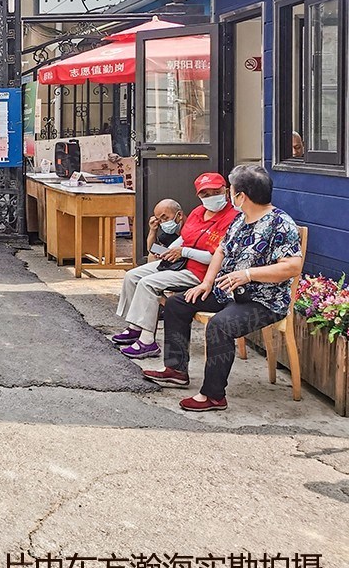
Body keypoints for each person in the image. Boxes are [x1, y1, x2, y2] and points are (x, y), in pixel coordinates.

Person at [143, 164, 303, 412]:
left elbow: (292, 266)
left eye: (232, 191)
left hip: (263, 300)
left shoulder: (280, 223)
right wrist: (206, 283)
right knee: (177, 303)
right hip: (227, 291)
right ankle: (176, 370)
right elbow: (221, 250)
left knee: (220, 325)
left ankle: (213, 395)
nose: (230, 195)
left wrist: (248, 275)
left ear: (242, 196)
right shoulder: (240, 220)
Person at [111, 173, 237, 358]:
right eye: (205, 194)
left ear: (225, 191)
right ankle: (135, 327)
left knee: (148, 284)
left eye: (215, 192)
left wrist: (183, 252)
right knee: (132, 276)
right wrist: (168, 251)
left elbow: (215, 258)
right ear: (199, 196)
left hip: (201, 272)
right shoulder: (198, 212)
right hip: (180, 263)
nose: (211, 197)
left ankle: (147, 341)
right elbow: (184, 238)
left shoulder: (233, 218)